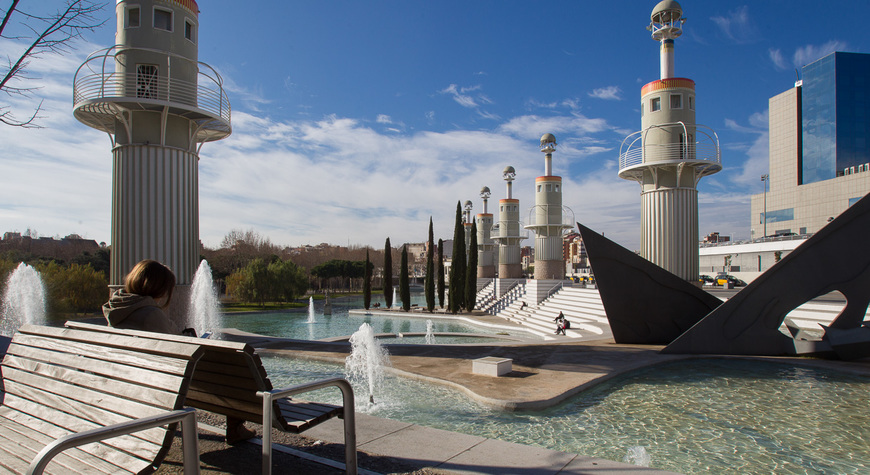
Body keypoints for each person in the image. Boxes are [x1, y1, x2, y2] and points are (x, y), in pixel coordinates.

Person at [103, 260, 255, 444]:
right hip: (164, 382)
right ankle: (235, 428)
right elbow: (178, 350)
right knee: (232, 369)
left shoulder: (117, 309)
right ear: (158, 287)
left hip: (132, 380)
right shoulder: (150, 315)